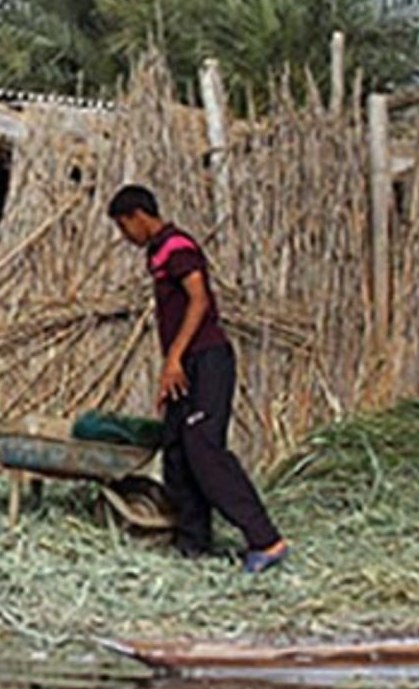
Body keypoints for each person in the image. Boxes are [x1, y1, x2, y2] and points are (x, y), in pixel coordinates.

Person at [107, 185, 289, 573]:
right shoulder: (156, 253)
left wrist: (173, 358)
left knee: (204, 450)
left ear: (138, 215)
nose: (125, 236)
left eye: (124, 226)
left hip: (206, 361)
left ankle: (266, 540)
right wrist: (170, 369)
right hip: (184, 367)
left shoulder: (177, 245)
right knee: (176, 451)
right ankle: (193, 545)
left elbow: (200, 299)